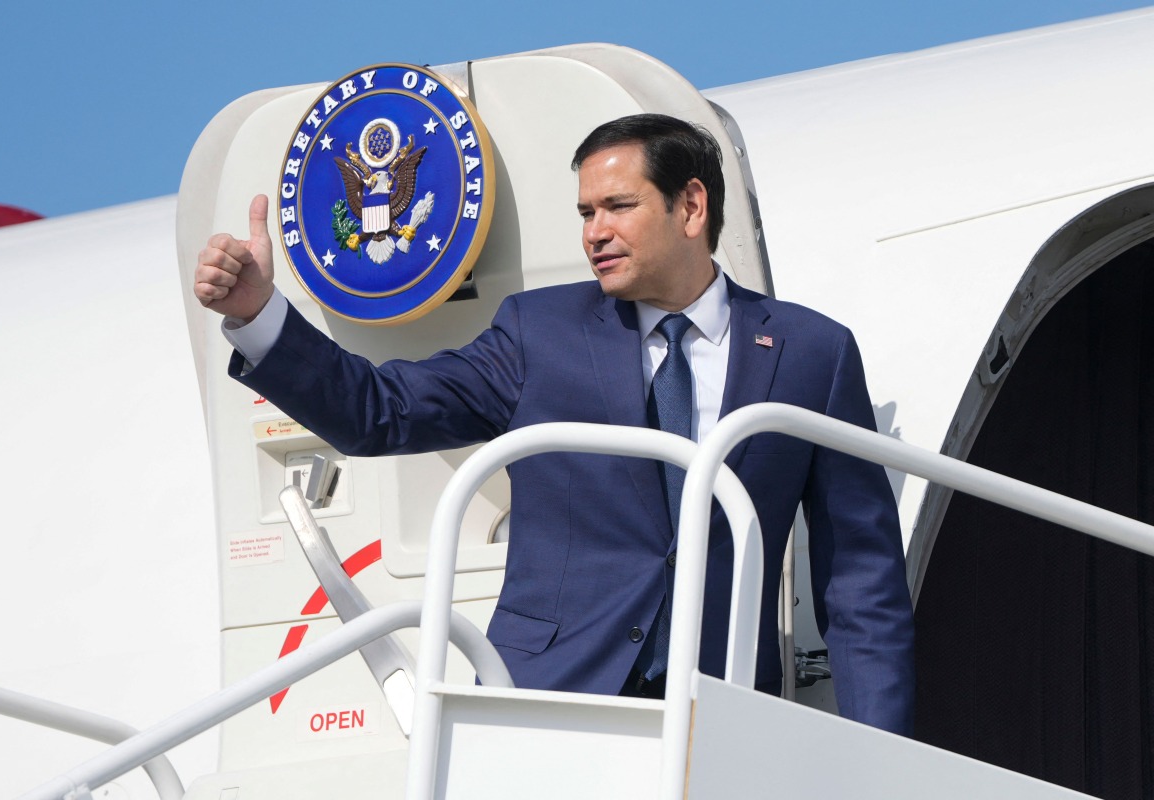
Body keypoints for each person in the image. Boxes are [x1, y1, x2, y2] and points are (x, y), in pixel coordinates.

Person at [195, 113, 915, 736]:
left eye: (617, 207)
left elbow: (860, 581)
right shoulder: (538, 334)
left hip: (719, 718)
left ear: (691, 207)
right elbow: (377, 414)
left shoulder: (811, 353)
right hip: (547, 705)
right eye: (584, 213)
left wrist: (879, 761)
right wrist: (261, 319)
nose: (594, 233)